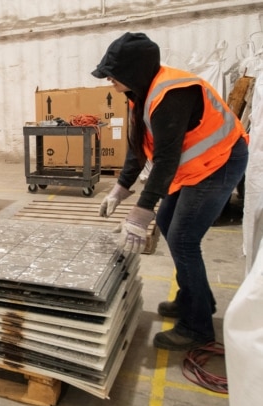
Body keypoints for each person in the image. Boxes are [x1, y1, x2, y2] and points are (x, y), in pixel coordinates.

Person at [92, 32, 249, 351]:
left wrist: (141, 210)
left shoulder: (170, 94)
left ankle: (197, 326)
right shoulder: (142, 91)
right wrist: (120, 189)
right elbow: (139, 147)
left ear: (135, 70)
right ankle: (195, 298)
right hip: (196, 163)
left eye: (113, 73)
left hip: (220, 160)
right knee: (166, 222)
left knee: (182, 237)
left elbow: (165, 158)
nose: (109, 79)